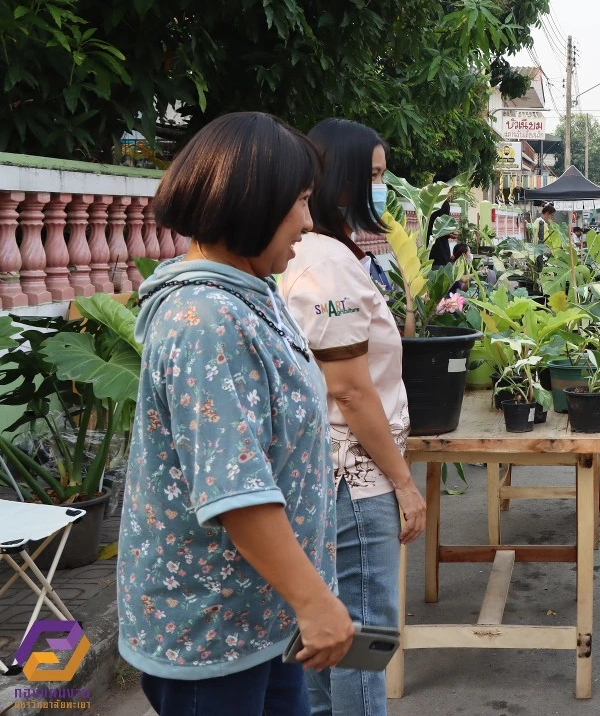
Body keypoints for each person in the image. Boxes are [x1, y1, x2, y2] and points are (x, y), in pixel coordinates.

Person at [119, 112, 353, 716]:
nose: (308, 220)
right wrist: (315, 602)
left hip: (257, 617)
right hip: (212, 631)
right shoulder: (206, 321)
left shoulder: (249, 294)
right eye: (300, 202)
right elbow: (236, 490)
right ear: (252, 201)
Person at [278, 118, 428, 716]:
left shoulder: (306, 254)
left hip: (323, 470)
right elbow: (351, 390)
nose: (380, 187)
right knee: (362, 635)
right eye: (372, 175)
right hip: (354, 475)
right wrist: (404, 483)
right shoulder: (328, 266)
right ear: (340, 178)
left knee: (326, 633)